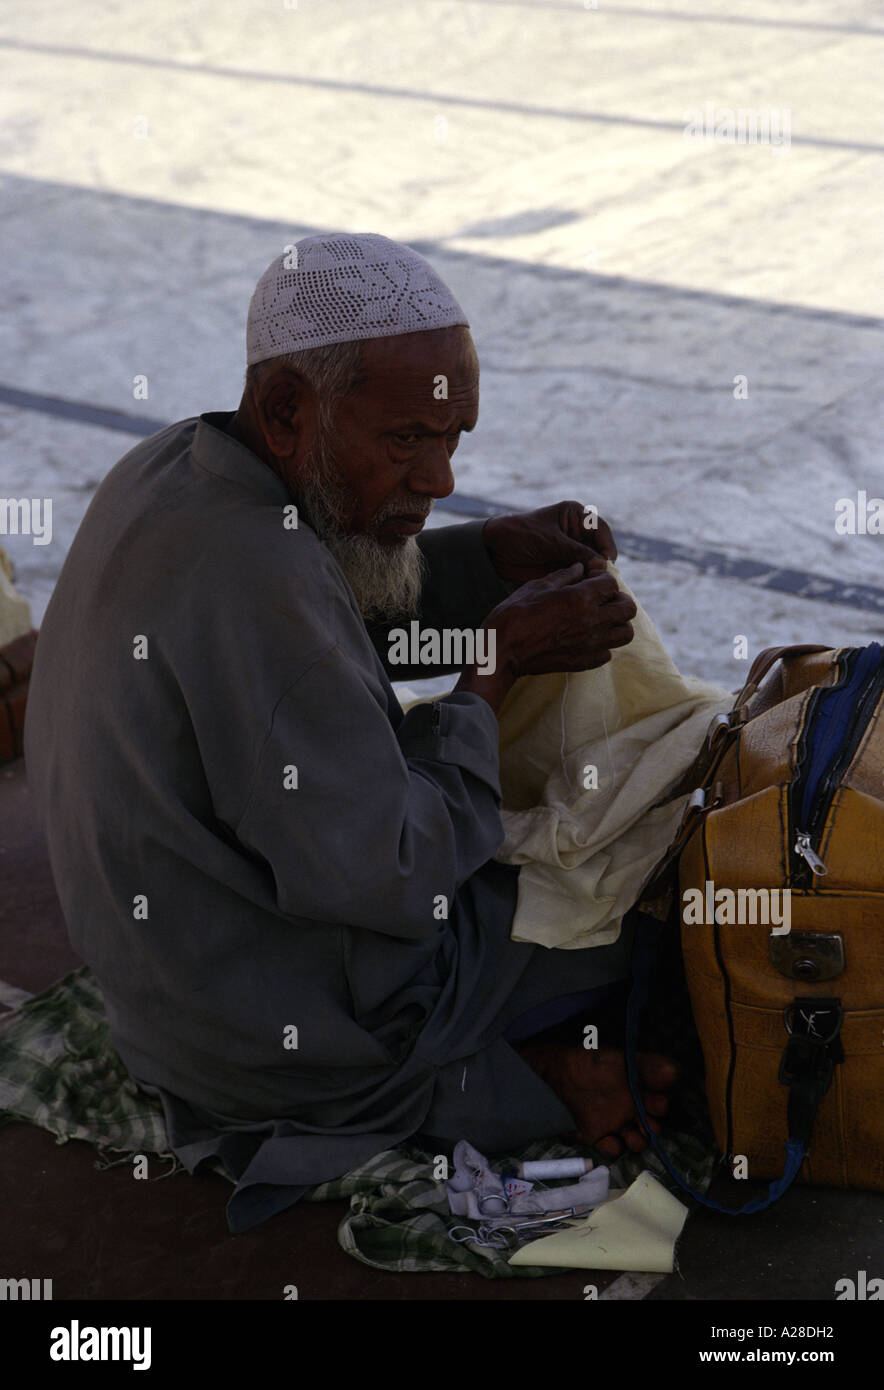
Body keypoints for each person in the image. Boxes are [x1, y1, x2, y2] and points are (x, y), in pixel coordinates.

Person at [24, 233, 674, 1230]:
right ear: (290, 409)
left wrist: (486, 558)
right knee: (629, 903)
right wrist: (492, 671)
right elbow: (394, 868)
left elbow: (331, 616)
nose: (442, 476)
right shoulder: (260, 579)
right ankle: (500, 1089)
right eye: (409, 440)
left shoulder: (178, 469)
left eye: (453, 440)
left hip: (166, 994)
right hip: (273, 1044)